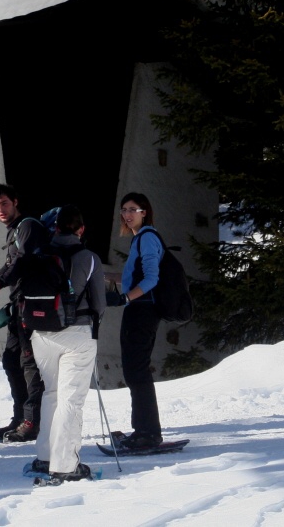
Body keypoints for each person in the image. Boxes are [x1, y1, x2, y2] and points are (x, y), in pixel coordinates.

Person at [28, 204, 106, 484]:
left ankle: (45, 456)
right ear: (81, 229)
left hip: (41, 333)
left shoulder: (39, 253)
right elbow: (99, 303)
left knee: (51, 393)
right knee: (70, 400)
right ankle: (65, 465)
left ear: (56, 227)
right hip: (76, 333)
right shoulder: (89, 257)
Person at [0, 183, 47, 442]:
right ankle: (19, 418)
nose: (0, 209)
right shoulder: (14, 231)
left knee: (29, 363)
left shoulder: (27, 226)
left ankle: (31, 422)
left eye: (4, 203)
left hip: (34, 305)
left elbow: (23, 261)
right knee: (11, 360)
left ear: (15, 201)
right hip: (19, 305)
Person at [106, 192, 165, 450]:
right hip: (138, 309)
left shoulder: (148, 238)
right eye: (124, 210)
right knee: (134, 370)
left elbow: (152, 278)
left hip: (142, 311)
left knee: (137, 370)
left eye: (133, 209)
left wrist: (125, 299)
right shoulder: (139, 239)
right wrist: (104, 276)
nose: (127, 214)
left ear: (144, 211)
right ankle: (143, 430)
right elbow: (133, 276)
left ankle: (148, 433)